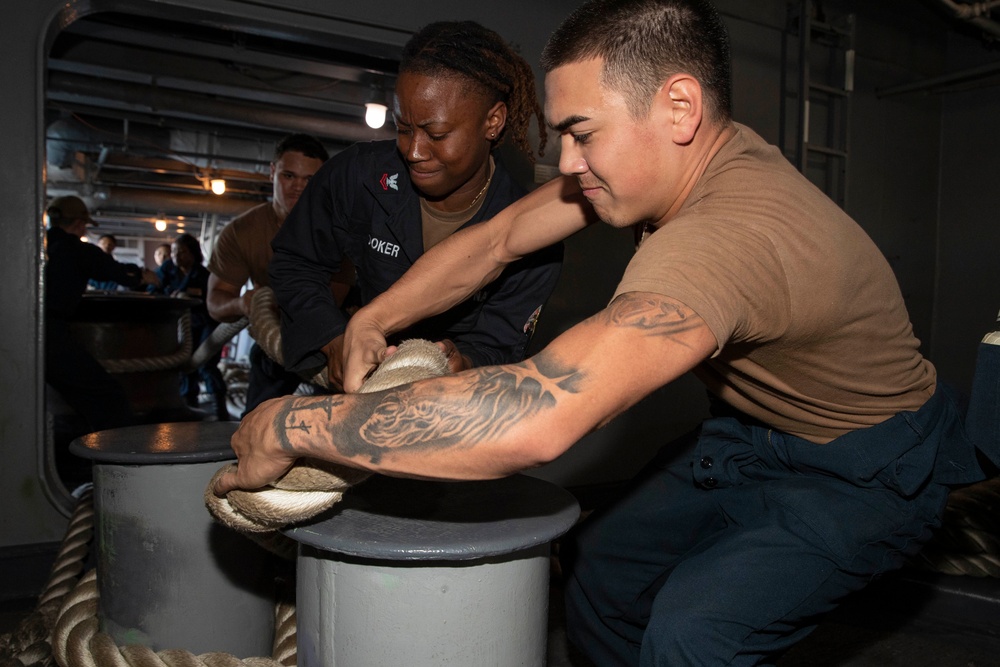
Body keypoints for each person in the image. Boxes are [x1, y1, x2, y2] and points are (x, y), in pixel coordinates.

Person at [215, 1, 996, 664]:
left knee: (692, 635)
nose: (566, 159)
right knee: (600, 567)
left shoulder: (729, 235)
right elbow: (494, 242)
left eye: (583, 132)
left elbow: (541, 414)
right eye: (560, 133)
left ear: (680, 109)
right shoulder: (664, 163)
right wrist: (374, 318)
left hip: (865, 466)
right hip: (753, 433)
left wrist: (299, 422)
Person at [267, 20, 564, 393]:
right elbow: (295, 262)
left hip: (451, 408)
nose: (413, 151)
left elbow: (500, 343)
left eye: (436, 134)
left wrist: (464, 363)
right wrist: (334, 339)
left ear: (493, 121)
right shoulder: (357, 175)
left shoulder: (533, 230)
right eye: (403, 128)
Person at [206, 133, 331, 415]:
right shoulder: (242, 232)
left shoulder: (340, 230)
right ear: (272, 172)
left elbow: (337, 294)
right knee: (257, 418)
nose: (298, 188)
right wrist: (243, 303)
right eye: (289, 175)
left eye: (309, 180)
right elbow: (215, 302)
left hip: (330, 334)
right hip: (275, 340)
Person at [45, 195, 159, 432]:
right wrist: (142, 275)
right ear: (78, 224)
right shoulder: (75, 249)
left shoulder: (41, 245)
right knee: (108, 395)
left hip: (28, 331)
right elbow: (115, 272)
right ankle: (118, 456)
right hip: (51, 334)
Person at [161, 233, 230, 421]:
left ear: (193, 253)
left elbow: (212, 301)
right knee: (184, 365)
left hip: (204, 323)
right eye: (174, 252)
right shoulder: (167, 270)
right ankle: (189, 408)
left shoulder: (204, 275)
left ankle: (220, 412)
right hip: (180, 326)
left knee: (206, 364)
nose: (177, 256)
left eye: (182, 252)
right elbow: (154, 288)